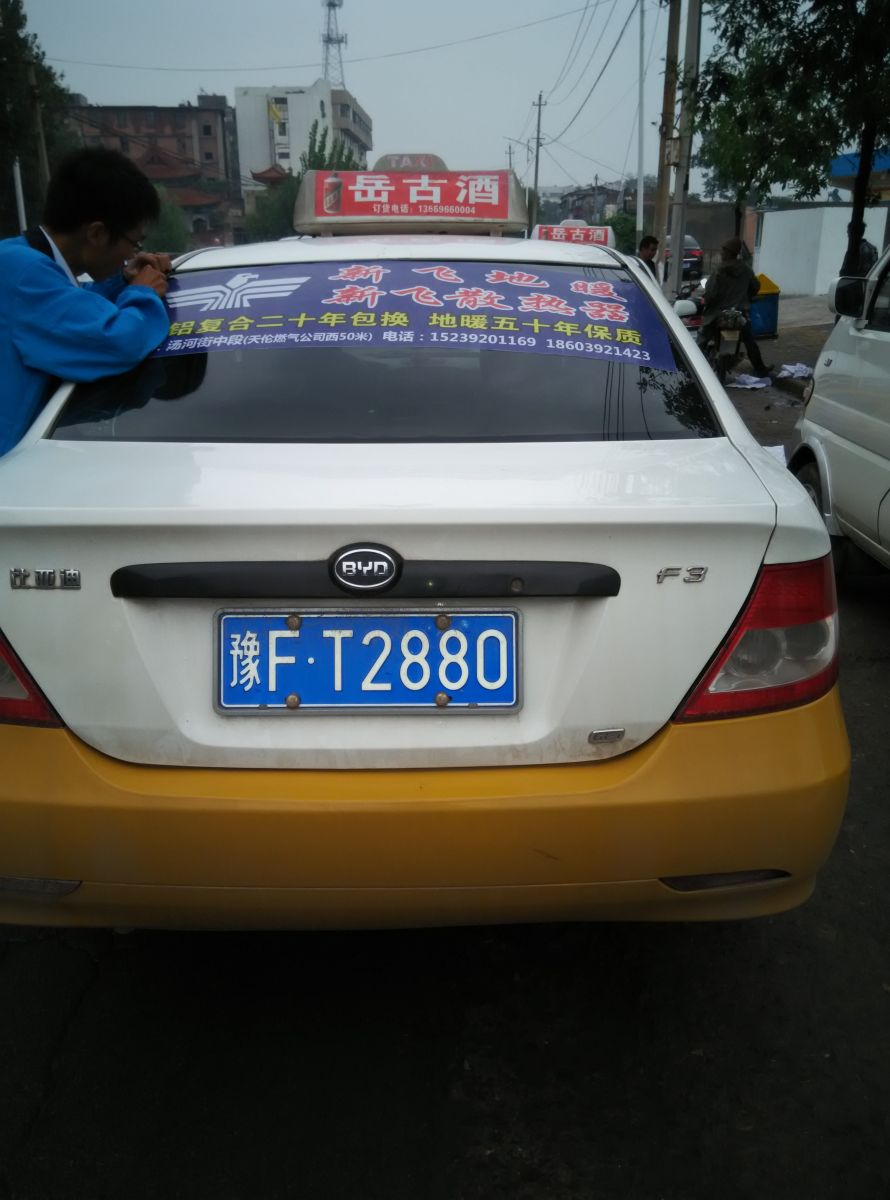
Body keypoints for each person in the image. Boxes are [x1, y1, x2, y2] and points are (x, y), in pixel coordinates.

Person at [0, 147, 172, 457]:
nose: (131, 255)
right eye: (134, 243)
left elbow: (64, 308)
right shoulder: (25, 275)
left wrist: (121, 283)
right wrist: (143, 295)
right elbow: (116, 342)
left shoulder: (17, 258)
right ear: (97, 234)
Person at [700, 236, 773, 378]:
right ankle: (761, 369)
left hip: (718, 315)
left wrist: (707, 301)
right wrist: (746, 297)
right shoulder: (746, 269)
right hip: (738, 315)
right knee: (750, 341)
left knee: (702, 339)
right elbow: (755, 287)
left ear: (728, 252)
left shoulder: (719, 270)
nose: (721, 253)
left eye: (723, 250)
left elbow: (711, 293)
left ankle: (690, 367)